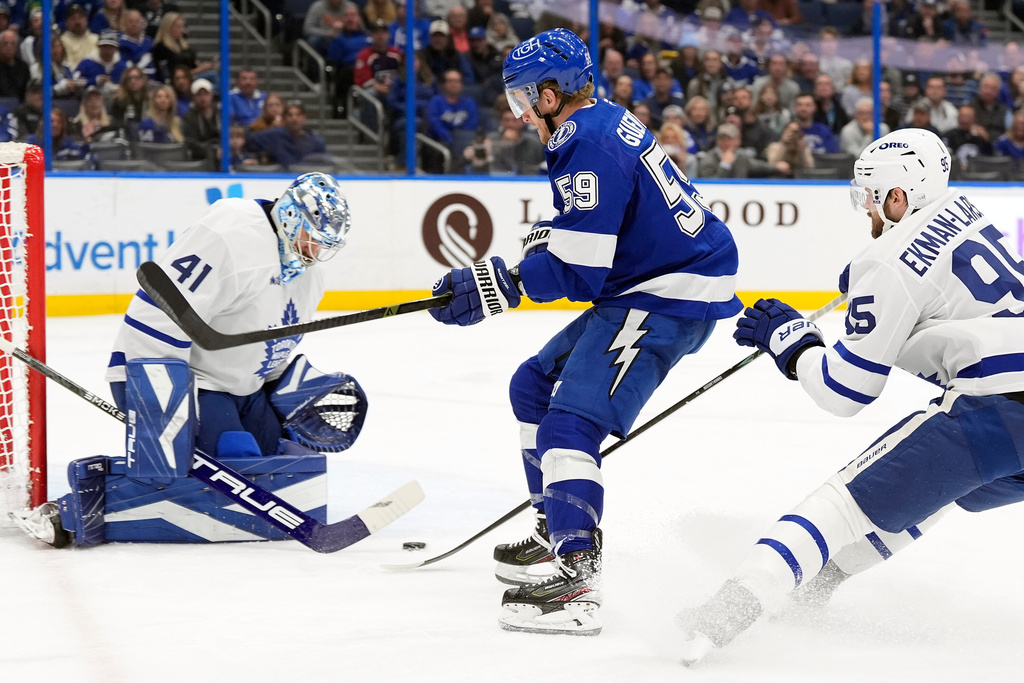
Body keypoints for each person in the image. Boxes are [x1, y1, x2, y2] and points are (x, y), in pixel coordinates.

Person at [428, 28, 742, 636]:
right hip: (652, 279)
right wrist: (533, 259)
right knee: (532, 386)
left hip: (668, 292)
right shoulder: (596, 122)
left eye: (523, 100)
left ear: (550, 95)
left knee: (570, 426)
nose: (518, 114)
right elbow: (594, 236)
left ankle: (578, 583)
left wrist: (498, 285)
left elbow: (579, 268)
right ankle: (558, 528)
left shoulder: (585, 141)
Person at [679, 126, 1024, 665]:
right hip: (1010, 411)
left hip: (1001, 407)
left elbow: (847, 391)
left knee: (838, 506)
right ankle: (815, 587)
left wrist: (791, 344)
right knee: (941, 481)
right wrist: (877, 302)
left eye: (869, 197)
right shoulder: (965, 209)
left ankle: (729, 609)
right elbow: (951, 316)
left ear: (897, 196)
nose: (866, 213)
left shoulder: (884, 262)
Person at [11, 174, 356, 548]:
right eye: (311, 239)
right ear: (290, 216)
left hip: (244, 390)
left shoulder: (310, 280)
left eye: (323, 246)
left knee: (278, 468)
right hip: (187, 379)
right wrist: (157, 396)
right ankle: (71, 509)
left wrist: (286, 393)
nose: (313, 252)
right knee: (231, 460)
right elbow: (160, 312)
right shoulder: (232, 232)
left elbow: (275, 349)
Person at [246, 102, 332, 168]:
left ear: (304, 117)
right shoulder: (275, 135)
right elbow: (248, 141)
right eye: (290, 115)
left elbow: (327, 163)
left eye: (298, 115)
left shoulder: (316, 141)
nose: (294, 119)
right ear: (284, 118)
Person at [75, 30, 127, 95]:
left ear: (116, 48)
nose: (107, 51)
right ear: (98, 46)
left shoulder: (122, 66)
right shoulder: (86, 63)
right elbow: (75, 82)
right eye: (104, 47)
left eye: (111, 47)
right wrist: (94, 81)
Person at [182, 77, 219, 160]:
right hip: (200, 158)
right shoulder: (189, 117)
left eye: (206, 94)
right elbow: (192, 143)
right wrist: (213, 151)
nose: (203, 98)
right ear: (193, 97)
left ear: (211, 95)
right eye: (199, 95)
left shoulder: (220, 114)